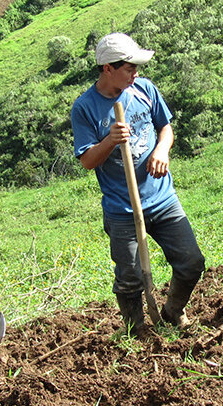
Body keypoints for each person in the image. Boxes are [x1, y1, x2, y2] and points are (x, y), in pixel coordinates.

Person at [71, 33, 205, 333]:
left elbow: (165, 128)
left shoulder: (144, 89)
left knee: (191, 262)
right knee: (129, 276)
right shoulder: (85, 108)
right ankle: (136, 329)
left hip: (162, 199)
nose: (136, 74)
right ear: (107, 68)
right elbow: (87, 161)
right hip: (123, 209)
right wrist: (110, 141)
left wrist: (161, 149)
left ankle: (172, 311)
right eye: (130, 68)